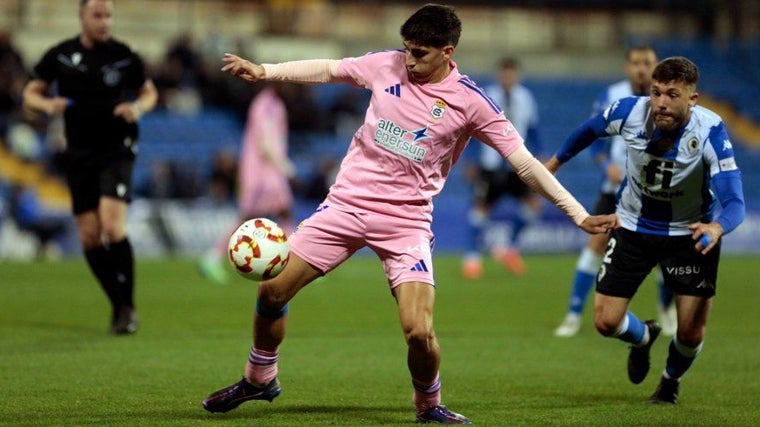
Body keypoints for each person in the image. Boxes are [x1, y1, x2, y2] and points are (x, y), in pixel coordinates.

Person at [202, 4, 616, 423]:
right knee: (272, 291)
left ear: (447, 52)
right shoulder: (386, 64)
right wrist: (265, 71)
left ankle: (428, 405)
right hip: (346, 206)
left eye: (420, 53)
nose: (409, 60)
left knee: (419, 331)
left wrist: (579, 215)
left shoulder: (471, 102)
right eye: (407, 49)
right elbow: (330, 68)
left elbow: (525, 163)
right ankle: (260, 378)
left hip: (406, 223)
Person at [545, 56, 745, 404]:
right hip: (633, 226)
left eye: (672, 94)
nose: (661, 103)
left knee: (690, 331)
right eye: (656, 93)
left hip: (690, 236)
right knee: (606, 322)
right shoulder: (629, 111)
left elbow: (735, 202)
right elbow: (589, 130)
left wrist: (716, 227)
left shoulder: (710, 130)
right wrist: (555, 163)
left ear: (692, 100)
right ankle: (643, 337)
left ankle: (670, 379)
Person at [22, 0, 158, 335]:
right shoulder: (61, 55)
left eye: (109, 15)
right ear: (82, 16)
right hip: (80, 152)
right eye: (97, 15)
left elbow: (149, 92)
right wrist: (47, 104)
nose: (104, 22)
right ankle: (119, 304)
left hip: (117, 147)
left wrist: (138, 108)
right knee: (89, 237)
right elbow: (30, 92)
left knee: (113, 226)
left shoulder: (124, 56)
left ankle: (127, 308)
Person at [554, 46, 678, 337]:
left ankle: (666, 308)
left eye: (646, 63)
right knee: (595, 244)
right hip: (615, 188)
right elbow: (595, 139)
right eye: (635, 63)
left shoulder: (669, 99)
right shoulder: (612, 96)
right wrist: (605, 163)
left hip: (657, 193)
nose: (641, 68)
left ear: (656, 66)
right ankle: (573, 315)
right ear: (627, 67)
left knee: (666, 255)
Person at [199, 83, 296, 285]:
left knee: (284, 211)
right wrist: (283, 165)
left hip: (268, 170)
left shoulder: (275, 104)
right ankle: (212, 257)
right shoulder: (265, 105)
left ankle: (295, 261)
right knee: (248, 218)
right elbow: (265, 142)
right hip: (260, 172)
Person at [462, 57, 542, 279]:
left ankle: (510, 248)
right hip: (491, 165)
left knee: (533, 207)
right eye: (504, 73)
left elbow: (533, 130)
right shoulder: (487, 96)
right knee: (480, 210)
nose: (507, 78)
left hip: (518, 164)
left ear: (517, 75)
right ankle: (472, 258)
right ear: (499, 74)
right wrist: (470, 160)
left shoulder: (526, 98)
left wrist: (541, 154)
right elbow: (471, 129)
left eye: (511, 73)